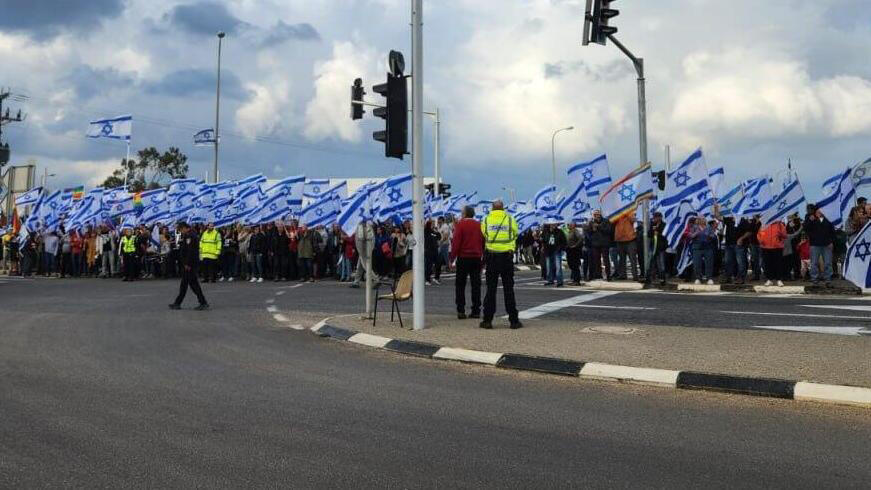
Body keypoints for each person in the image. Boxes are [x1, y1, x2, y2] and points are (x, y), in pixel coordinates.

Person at [480, 200, 521, 329]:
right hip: (506, 257)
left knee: (491, 290)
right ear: (503, 208)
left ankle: (487, 320)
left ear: (492, 208)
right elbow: (515, 233)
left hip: (492, 257)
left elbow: (484, 234)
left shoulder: (486, 219)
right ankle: (514, 321)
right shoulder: (510, 219)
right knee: (509, 290)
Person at [450, 206, 484, 319]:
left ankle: (461, 310)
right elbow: (483, 241)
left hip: (463, 257)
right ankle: (476, 310)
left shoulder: (460, 225)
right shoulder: (479, 225)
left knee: (460, 285)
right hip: (476, 258)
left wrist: (452, 258)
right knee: (476, 285)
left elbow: (456, 243)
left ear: (464, 214)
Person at [169, 222, 209, 310]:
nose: (181, 232)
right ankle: (178, 302)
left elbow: (190, 252)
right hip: (189, 264)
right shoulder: (189, 235)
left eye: (180, 230)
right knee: (188, 284)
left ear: (184, 228)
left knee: (191, 284)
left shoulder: (190, 236)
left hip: (190, 265)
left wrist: (187, 263)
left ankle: (202, 302)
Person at [803, 203, 835, 286]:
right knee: (814, 263)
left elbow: (832, 232)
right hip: (815, 244)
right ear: (816, 210)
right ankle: (814, 280)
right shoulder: (809, 217)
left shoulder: (828, 218)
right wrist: (810, 220)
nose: (821, 210)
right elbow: (805, 228)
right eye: (820, 209)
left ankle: (828, 280)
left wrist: (831, 242)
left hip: (827, 244)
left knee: (828, 263)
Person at [758, 219, 787, 286]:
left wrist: (781, 233)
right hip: (766, 247)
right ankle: (769, 279)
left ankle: (779, 279)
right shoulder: (764, 224)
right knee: (768, 264)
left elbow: (785, 235)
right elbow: (759, 234)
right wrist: (761, 240)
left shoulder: (780, 224)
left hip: (777, 247)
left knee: (778, 264)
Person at [585, 210, 612, 280]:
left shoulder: (606, 221)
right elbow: (588, 233)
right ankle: (598, 275)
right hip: (595, 244)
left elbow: (609, 231)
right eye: (595, 214)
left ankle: (608, 275)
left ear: (600, 214)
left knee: (606, 260)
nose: (597, 216)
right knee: (596, 260)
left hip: (604, 244)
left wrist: (599, 227)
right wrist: (592, 231)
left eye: (598, 214)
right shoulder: (591, 222)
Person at [646, 211, 668, 285]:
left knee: (661, 264)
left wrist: (658, 232)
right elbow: (649, 234)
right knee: (650, 262)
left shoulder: (664, 225)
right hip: (652, 247)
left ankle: (662, 278)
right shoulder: (652, 224)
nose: (654, 219)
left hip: (660, 247)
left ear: (660, 218)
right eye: (654, 217)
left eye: (655, 217)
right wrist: (653, 230)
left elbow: (665, 236)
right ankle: (648, 277)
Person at [614, 214, 639, 280]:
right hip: (619, 240)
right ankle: (623, 275)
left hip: (630, 240)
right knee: (622, 260)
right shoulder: (616, 214)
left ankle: (635, 275)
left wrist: (627, 214)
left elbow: (634, 220)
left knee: (632, 259)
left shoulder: (629, 212)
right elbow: (611, 221)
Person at [542, 221, 566, 286]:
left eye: (554, 223)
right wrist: (543, 247)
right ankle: (550, 280)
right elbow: (543, 240)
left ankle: (559, 281)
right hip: (548, 251)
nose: (553, 225)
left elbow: (564, 242)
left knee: (558, 267)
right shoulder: (546, 231)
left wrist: (560, 249)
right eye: (552, 223)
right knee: (549, 267)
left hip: (557, 251)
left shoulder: (560, 232)